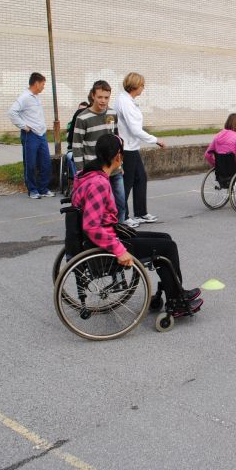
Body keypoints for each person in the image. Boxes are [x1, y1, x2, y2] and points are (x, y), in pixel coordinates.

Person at [71, 134, 201, 309]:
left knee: (165, 238)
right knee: (168, 247)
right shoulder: (98, 183)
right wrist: (119, 250)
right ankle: (176, 300)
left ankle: (175, 292)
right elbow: (91, 226)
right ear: (118, 156)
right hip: (108, 243)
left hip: (108, 235)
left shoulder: (88, 175)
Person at [72, 80, 128, 224]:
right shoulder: (82, 118)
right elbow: (77, 146)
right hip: (95, 172)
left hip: (113, 169)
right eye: (100, 97)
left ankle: (119, 230)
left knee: (121, 205)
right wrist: (80, 171)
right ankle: (102, 233)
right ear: (93, 96)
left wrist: (120, 164)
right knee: (100, 208)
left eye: (106, 97)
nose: (103, 101)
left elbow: (117, 139)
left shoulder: (112, 113)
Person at [114, 72, 165, 227]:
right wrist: (155, 140)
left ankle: (141, 213)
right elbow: (135, 129)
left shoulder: (127, 100)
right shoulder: (125, 102)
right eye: (142, 85)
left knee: (140, 178)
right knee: (127, 183)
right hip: (127, 148)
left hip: (132, 146)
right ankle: (123, 216)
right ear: (135, 86)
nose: (143, 88)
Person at [7, 72, 54, 199]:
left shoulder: (36, 97)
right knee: (31, 164)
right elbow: (12, 112)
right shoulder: (24, 97)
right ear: (36, 83)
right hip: (31, 135)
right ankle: (33, 190)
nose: (43, 87)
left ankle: (43, 188)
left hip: (41, 134)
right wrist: (24, 126)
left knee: (45, 163)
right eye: (43, 84)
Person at [64, 99, 90, 180]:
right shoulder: (71, 124)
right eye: (79, 110)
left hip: (86, 151)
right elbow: (69, 138)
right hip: (72, 150)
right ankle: (77, 178)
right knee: (73, 157)